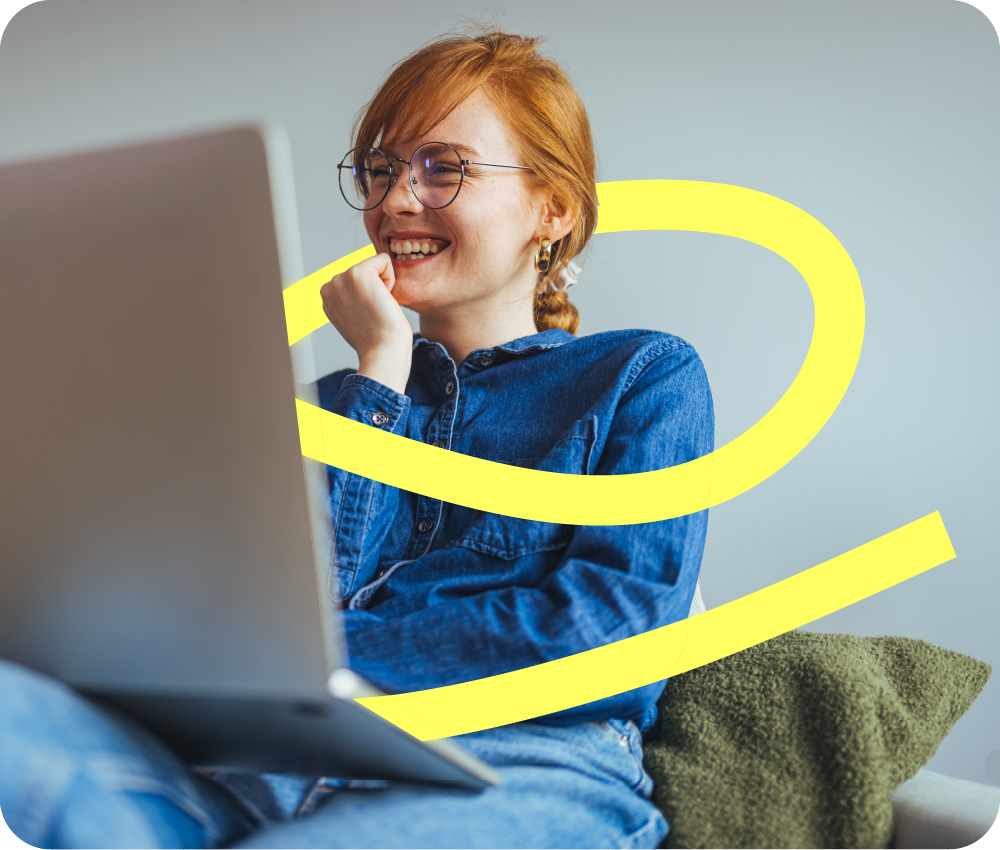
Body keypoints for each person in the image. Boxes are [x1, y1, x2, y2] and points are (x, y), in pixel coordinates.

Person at [0, 26, 713, 850]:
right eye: (381, 169)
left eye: (444, 167)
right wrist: (380, 370)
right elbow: (279, 615)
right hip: (263, 775)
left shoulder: (641, 375)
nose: (395, 200)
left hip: (517, 769)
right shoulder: (330, 405)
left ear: (552, 208)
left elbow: (614, 635)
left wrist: (323, 673)